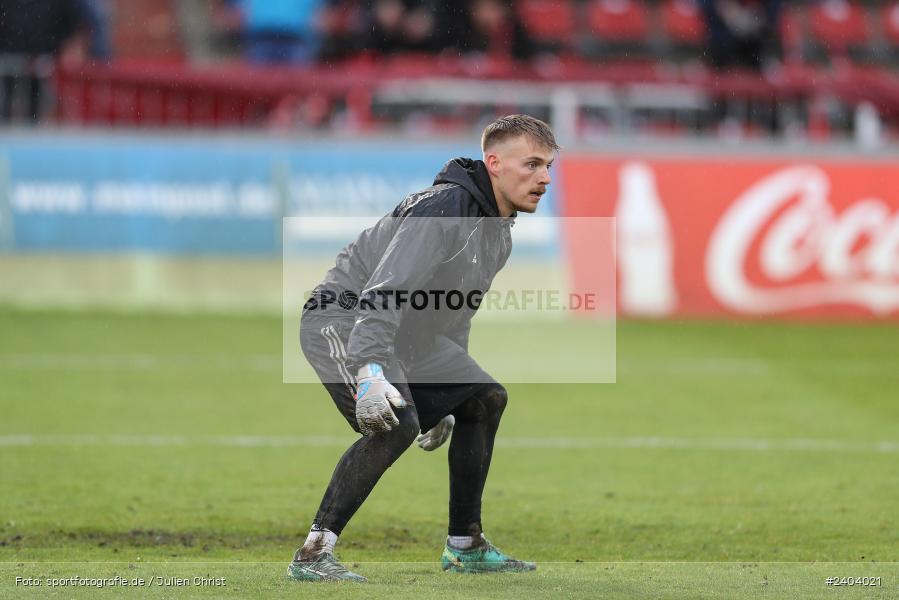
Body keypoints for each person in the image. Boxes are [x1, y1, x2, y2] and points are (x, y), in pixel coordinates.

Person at [289, 114, 558, 582]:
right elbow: (385, 289)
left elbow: (454, 315)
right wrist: (370, 369)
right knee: (395, 424)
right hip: (343, 318)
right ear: (494, 163)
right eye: (532, 165)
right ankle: (313, 553)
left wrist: (451, 392)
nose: (545, 178)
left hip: (409, 335)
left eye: (549, 166)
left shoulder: (498, 229)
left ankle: (465, 545)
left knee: (483, 399)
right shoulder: (445, 208)